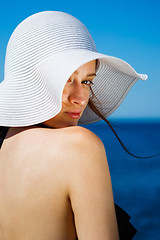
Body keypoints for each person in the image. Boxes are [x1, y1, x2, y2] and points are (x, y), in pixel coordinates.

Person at [0, 11, 147, 240]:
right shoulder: (78, 145)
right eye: (66, 79)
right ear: (31, 80)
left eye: (87, 81)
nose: (80, 98)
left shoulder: (5, 145)